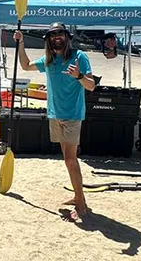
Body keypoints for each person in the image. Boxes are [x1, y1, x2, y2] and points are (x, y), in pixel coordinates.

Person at [13, 22, 95, 221]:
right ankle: (77, 196)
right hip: (55, 114)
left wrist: (79, 76)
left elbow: (91, 86)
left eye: (60, 33)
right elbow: (25, 65)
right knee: (67, 160)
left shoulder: (79, 57)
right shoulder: (49, 60)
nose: (56, 37)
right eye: (52, 34)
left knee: (70, 159)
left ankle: (82, 205)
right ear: (48, 39)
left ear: (67, 37)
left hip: (73, 115)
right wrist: (21, 43)